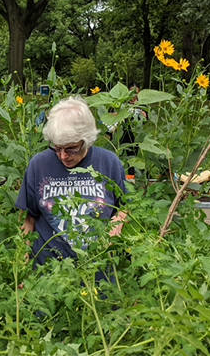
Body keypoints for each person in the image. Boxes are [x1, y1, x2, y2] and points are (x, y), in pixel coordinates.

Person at [15, 96, 127, 272]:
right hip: (47, 276)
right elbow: (26, 218)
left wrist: (118, 222)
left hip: (97, 274)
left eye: (71, 148)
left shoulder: (109, 163)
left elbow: (125, 206)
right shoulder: (39, 165)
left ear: (87, 139)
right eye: (57, 148)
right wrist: (22, 265)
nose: (63, 156)